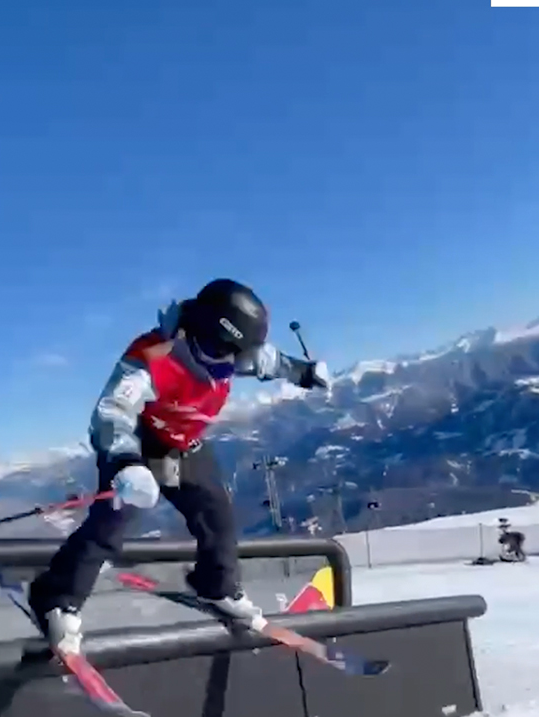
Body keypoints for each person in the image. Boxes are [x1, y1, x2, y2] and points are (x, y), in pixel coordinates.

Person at [28, 279, 330, 655]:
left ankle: (215, 585)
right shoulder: (153, 356)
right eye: (221, 350)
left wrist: (305, 373)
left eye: (233, 355)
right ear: (199, 331)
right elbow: (113, 411)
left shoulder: (232, 353)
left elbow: (267, 360)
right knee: (115, 518)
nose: (227, 364)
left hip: (183, 443)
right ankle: (55, 596)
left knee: (215, 512)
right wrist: (125, 464)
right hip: (139, 443)